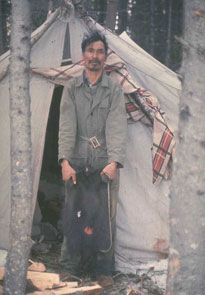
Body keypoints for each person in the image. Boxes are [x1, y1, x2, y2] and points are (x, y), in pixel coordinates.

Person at [58, 31, 127, 286]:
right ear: (83, 56)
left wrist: (114, 162)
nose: (94, 57)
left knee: (104, 218)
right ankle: (69, 266)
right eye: (90, 51)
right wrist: (64, 161)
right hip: (76, 159)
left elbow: (118, 126)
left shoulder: (114, 89)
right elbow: (66, 126)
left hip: (104, 161)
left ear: (105, 56)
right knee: (73, 214)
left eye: (99, 52)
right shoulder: (71, 88)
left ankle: (103, 269)